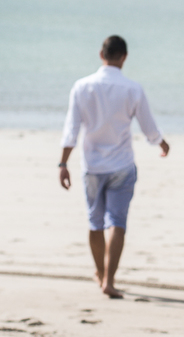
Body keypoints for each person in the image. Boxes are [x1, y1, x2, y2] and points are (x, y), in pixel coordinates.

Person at [58, 35, 169, 299]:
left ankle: (99, 273)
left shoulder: (82, 87)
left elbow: (71, 129)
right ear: (124, 57)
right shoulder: (132, 89)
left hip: (92, 166)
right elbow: (148, 126)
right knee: (117, 222)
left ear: (101, 55)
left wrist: (63, 163)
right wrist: (161, 143)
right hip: (121, 164)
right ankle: (109, 279)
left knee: (95, 223)